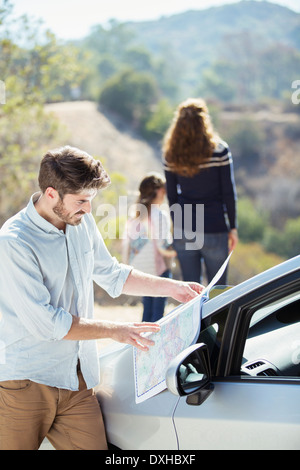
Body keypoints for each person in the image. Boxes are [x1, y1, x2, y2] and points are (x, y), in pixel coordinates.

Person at [0, 145, 203, 450]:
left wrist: (172, 288)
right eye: (81, 201)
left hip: (78, 382)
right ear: (52, 194)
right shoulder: (14, 242)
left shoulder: (81, 222)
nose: (89, 210)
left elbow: (113, 274)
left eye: (91, 200)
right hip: (26, 383)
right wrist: (117, 330)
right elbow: (48, 324)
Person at [162, 98, 238, 285]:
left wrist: (178, 227)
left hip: (185, 227)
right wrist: (233, 227)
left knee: (190, 291)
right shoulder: (220, 150)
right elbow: (228, 192)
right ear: (205, 120)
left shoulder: (171, 155)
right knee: (218, 291)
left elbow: (172, 197)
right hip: (215, 225)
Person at [122, 173, 176, 322]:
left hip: (141, 268)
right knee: (158, 311)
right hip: (158, 267)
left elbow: (129, 243)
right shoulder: (160, 215)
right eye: (164, 190)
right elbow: (163, 246)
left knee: (147, 308)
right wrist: (177, 251)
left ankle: (143, 342)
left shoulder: (135, 216)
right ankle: (154, 343)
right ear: (158, 191)